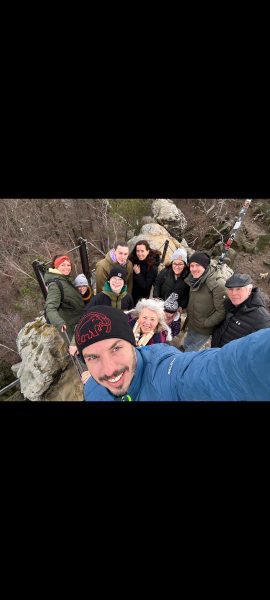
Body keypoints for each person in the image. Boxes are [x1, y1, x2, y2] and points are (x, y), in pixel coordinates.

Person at [74, 305, 270, 401]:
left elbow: (225, 370)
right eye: (93, 357)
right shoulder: (92, 390)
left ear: (131, 344)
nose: (109, 370)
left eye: (116, 348)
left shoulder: (166, 375)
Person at [182, 251, 226, 352]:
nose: (193, 269)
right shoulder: (194, 278)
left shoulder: (217, 284)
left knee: (191, 350)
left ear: (205, 265)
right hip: (193, 321)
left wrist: (206, 323)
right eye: (191, 265)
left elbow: (222, 311)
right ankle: (183, 349)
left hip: (203, 328)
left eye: (197, 265)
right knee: (187, 341)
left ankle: (184, 362)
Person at [211, 273, 270, 348]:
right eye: (230, 289)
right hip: (215, 351)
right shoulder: (228, 303)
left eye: (239, 289)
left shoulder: (262, 319)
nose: (234, 293)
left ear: (249, 290)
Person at [44, 254, 84, 340]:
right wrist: (59, 323)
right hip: (72, 329)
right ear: (56, 266)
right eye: (63, 265)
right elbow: (50, 308)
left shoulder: (65, 279)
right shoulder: (55, 284)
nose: (67, 267)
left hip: (80, 322)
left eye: (68, 265)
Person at [153, 248, 190, 314]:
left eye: (180, 264)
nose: (177, 266)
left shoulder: (188, 277)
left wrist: (182, 306)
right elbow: (157, 285)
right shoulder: (165, 272)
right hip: (161, 307)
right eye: (175, 263)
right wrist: (156, 297)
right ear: (171, 263)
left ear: (184, 265)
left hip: (174, 311)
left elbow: (187, 294)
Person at [128, 240, 161, 305]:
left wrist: (138, 274)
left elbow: (146, 287)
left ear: (147, 251)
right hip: (129, 294)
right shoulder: (134, 259)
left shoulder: (152, 266)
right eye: (138, 251)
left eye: (142, 251)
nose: (139, 254)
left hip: (141, 299)